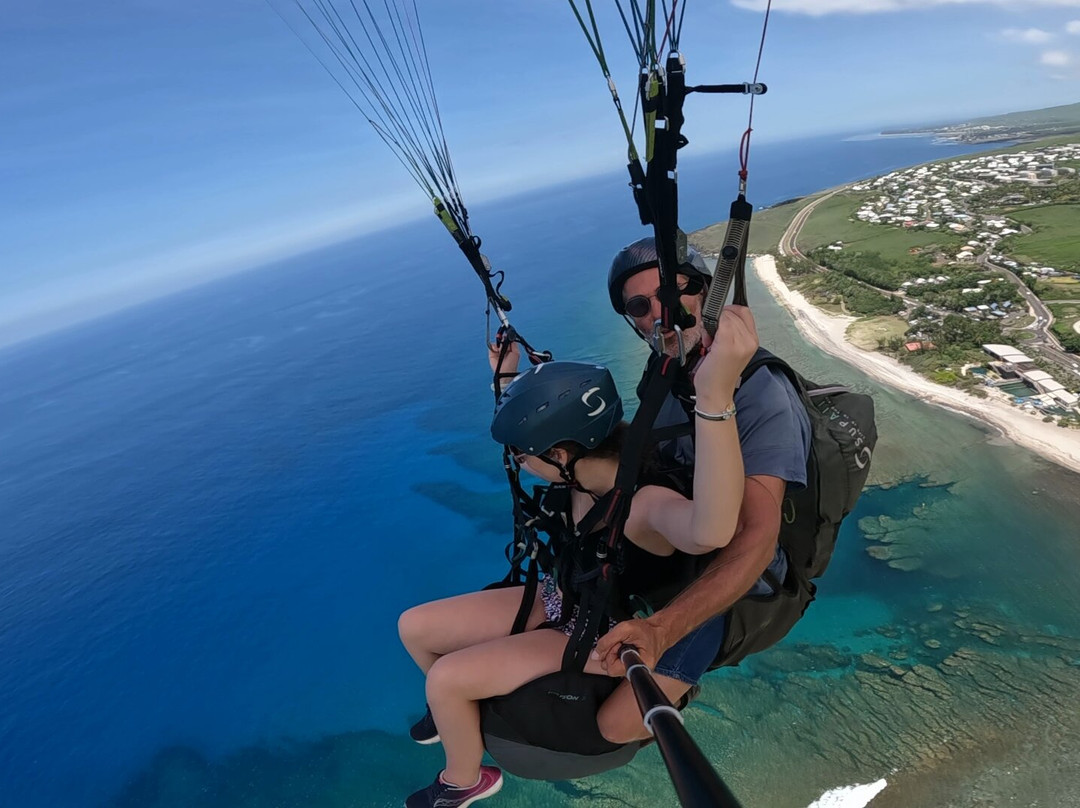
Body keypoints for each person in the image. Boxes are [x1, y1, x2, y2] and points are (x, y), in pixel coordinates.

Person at [397, 306, 758, 808]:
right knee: (414, 628)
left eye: (524, 454)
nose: (519, 461)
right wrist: (506, 377)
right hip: (568, 595)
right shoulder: (582, 473)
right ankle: (450, 716)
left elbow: (711, 531)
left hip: (605, 630)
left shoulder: (643, 505)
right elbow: (543, 423)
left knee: (446, 680)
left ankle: (464, 780)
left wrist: (715, 398)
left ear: (562, 455)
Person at [584, 236, 814, 745]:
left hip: (734, 584)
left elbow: (756, 540)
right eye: (640, 307)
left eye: (674, 292)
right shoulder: (667, 372)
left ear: (706, 292)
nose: (660, 314)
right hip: (678, 543)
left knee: (613, 726)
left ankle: (683, 688)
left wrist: (664, 628)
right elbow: (635, 453)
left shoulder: (761, 394)